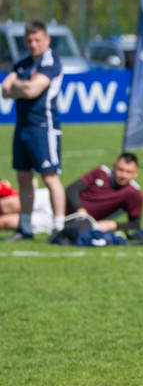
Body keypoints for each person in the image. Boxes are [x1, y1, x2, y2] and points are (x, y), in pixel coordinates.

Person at [1, 20, 66, 241]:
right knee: (23, 177)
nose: (33, 44)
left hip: (43, 127)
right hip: (22, 127)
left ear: (47, 40)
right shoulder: (23, 63)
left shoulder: (51, 61)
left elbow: (31, 90)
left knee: (49, 177)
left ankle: (59, 227)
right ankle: (25, 228)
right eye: (29, 40)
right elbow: (5, 91)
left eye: (37, 39)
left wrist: (20, 86)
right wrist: (23, 86)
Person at [64, 153, 143, 232]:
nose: (123, 175)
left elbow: (135, 224)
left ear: (136, 173)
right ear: (114, 166)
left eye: (128, 172)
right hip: (60, 211)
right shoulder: (100, 173)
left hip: (82, 224)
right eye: (121, 170)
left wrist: (113, 225)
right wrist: (80, 210)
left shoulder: (134, 193)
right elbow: (71, 190)